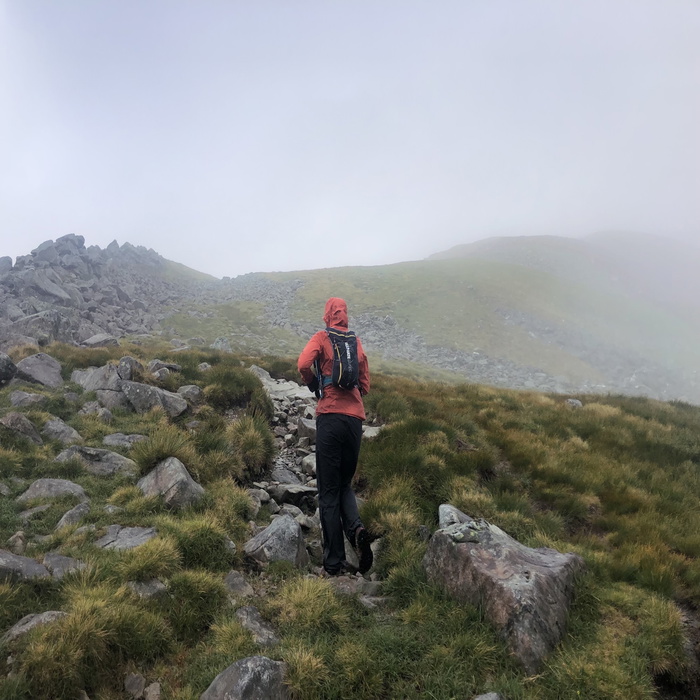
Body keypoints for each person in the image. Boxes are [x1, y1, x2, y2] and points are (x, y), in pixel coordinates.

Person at [297, 297, 373, 576]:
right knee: (344, 485)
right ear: (345, 315)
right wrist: (355, 396)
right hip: (354, 421)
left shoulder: (322, 336)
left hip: (330, 416)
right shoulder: (355, 341)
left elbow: (304, 363)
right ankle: (357, 530)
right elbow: (365, 381)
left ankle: (334, 563)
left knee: (327, 493)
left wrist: (316, 383)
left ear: (328, 315)